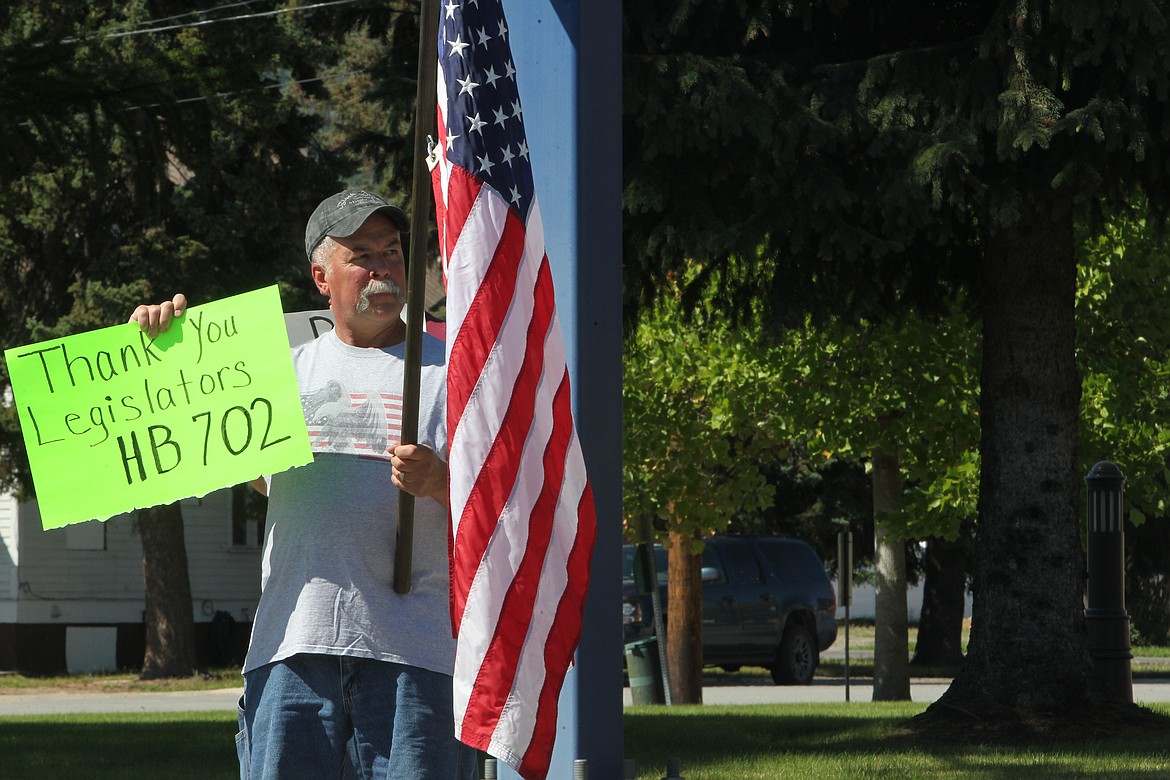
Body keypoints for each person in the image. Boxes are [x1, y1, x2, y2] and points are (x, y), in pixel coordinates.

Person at [131, 190, 478, 780]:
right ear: (321, 276)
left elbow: (505, 505)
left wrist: (443, 483)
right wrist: (160, 354)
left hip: (417, 654)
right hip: (291, 649)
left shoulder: (455, 369)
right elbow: (215, 453)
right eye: (362, 254)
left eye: (392, 251)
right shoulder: (280, 373)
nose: (383, 268)